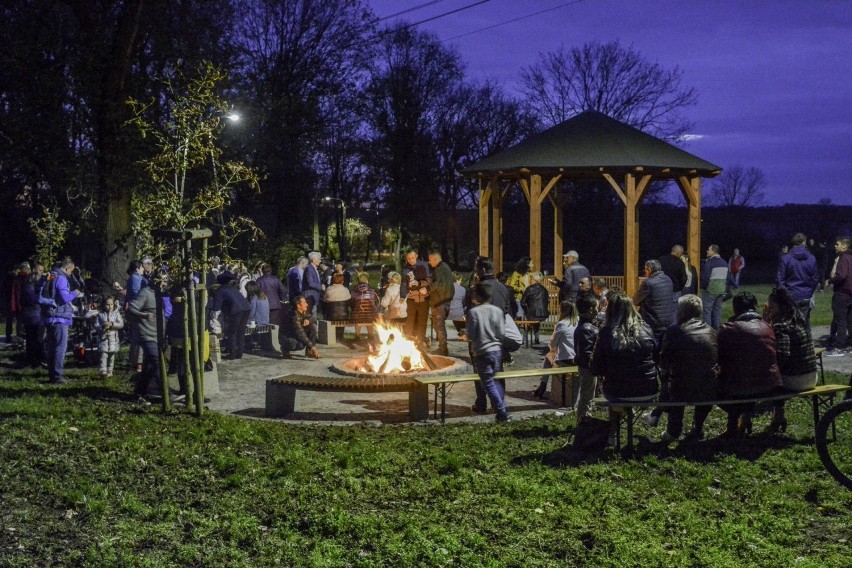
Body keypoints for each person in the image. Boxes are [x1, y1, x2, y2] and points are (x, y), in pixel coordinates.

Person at [590, 292, 658, 440]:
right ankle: (625, 417)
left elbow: (595, 369)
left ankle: (613, 433)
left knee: (614, 386)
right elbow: (656, 356)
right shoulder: (646, 329)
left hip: (618, 392)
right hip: (648, 389)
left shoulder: (606, 333)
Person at [716, 292, 782, 437]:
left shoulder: (728, 329)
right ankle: (742, 420)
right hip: (768, 387)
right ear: (754, 307)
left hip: (739, 389)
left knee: (721, 381)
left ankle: (732, 425)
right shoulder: (768, 327)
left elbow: (718, 358)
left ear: (735, 309)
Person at [656, 294, 718, 442]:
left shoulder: (674, 331)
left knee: (674, 381)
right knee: (699, 377)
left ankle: (673, 431)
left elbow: (664, 361)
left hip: (682, 388)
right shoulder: (711, 331)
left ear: (682, 313)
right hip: (709, 388)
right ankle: (698, 427)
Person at [763, 286, 818, 432]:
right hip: (812, 376)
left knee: (771, 374)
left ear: (780, 307)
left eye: (772, 307)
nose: (769, 310)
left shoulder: (781, 325)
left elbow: (782, 355)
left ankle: (776, 417)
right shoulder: (799, 317)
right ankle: (778, 416)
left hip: (797, 380)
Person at [466, 282, 510, 422]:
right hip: (496, 350)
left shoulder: (474, 312)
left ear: (478, 296)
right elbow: (502, 334)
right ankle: (501, 410)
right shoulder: (498, 311)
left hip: (482, 351)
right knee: (496, 381)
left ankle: (502, 413)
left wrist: (466, 335)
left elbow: (472, 336)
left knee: (488, 383)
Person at [41, 258, 84, 384]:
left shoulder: (50, 276)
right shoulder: (61, 278)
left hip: (49, 316)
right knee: (60, 347)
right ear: (66, 268)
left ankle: (52, 374)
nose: (71, 273)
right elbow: (65, 298)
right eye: (71, 271)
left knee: (52, 347)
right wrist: (75, 293)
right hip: (59, 317)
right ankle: (58, 376)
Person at [533, 300, 577, 400]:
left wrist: (551, 345)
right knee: (550, 355)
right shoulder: (578, 321)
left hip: (567, 359)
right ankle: (542, 387)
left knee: (548, 357)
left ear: (563, 311)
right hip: (578, 357)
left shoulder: (562, 324)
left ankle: (542, 386)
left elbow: (553, 345)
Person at [126, 283, 163, 397]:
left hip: (156, 335)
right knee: (158, 362)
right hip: (146, 334)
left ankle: (140, 390)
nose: (166, 282)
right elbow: (131, 308)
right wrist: (144, 315)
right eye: (164, 279)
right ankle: (165, 391)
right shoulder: (146, 293)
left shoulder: (160, 294)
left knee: (149, 365)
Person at [775, 233, 819, 325]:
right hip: (805, 295)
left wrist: (784, 294)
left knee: (789, 323)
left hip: (790, 295)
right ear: (804, 242)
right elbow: (815, 279)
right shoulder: (811, 258)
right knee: (804, 323)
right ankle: (806, 338)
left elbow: (780, 279)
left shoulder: (785, 258)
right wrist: (809, 292)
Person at [633, 259, 673, 359]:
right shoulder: (668, 280)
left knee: (652, 350)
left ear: (649, 269)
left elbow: (635, 301)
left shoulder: (648, 283)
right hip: (667, 320)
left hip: (653, 322)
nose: (645, 273)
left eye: (645, 270)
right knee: (663, 349)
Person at [572, 294, 600, 421]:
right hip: (588, 367)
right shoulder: (587, 329)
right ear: (590, 310)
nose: (598, 311)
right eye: (597, 308)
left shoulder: (584, 326)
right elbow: (587, 352)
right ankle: (583, 419)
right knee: (587, 395)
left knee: (587, 393)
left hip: (585, 366)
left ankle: (584, 418)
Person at [211, 274, 251, 360]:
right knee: (241, 331)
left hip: (236, 310)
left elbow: (216, 309)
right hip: (246, 308)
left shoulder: (220, 291)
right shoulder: (233, 289)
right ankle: (239, 352)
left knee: (232, 332)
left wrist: (215, 325)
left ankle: (232, 353)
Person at [826, 236, 852, 357]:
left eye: (837, 244)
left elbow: (841, 275)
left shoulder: (844, 257)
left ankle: (840, 347)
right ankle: (850, 345)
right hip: (851, 294)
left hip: (842, 294)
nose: (835, 246)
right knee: (850, 320)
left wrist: (830, 280)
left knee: (840, 321)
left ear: (844, 246)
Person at [400, 249, 431, 345]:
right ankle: (408, 342)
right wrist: (402, 295)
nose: (411, 260)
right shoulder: (405, 269)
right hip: (411, 299)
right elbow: (404, 284)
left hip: (423, 298)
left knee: (422, 321)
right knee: (410, 321)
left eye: (412, 258)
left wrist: (421, 284)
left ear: (416, 256)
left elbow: (430, 280)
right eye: (408, 259)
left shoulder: (424, 265)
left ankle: (420, 342)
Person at [427, 250, 455, 355]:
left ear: (435, 259)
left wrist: (428, 289)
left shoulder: (440, 269)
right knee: (439, 325)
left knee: (439, 325)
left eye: (430, 260)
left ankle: (443, 349)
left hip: (440, 301)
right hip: (443, 300)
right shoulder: (444, 267)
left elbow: (439, 283)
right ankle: (442, 348)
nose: (429, 262)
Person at [281, 295, 319, 359]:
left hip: (295, 334)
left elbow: (313, 317)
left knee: (312, 327)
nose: (307, 304)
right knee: (300, 345)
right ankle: (285, 349)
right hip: (287, 337)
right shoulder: (293, 316)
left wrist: (309, 320)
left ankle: (309, 351)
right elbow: (301, 333)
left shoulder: (303, 312)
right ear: (298, 306)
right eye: (304, 303)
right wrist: (312, 347)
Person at [700, 244, 728, 330]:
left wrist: (703, 287)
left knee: (706, 311)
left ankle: (707, 331)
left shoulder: (709, 262)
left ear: (713, 251)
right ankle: (716, 330)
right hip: (721, 290)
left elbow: (705, 277)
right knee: (717, 311)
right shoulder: (724, 262)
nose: (707, 251)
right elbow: (728, 278)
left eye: (708, 250)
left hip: (710, 290)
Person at [95, 295, 124, 378]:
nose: (110, 306)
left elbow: (121, 324)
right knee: (103, 355)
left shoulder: (116, 314)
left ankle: (110, 370)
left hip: (113, 338)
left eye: (111, 304)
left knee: (112, 355)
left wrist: (112, 325)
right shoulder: (100, 315)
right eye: (107, 304)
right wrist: (102, 327)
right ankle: (103, 371)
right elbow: (96, 325)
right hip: (103, 338)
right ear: (103, 305)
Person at [659, 245, 688, 321]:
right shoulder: (680, 263)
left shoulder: (661, 260)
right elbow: (684, 278)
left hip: (661, 290)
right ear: (679, 253)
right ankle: (672, 330)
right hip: (675, 291)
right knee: (674, 312)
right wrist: (680, 288)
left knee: (661, 311)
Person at [520, 271, 550, 345]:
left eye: (531, 279)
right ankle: (537, 338)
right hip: (543, 314)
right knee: (535, 318)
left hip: (532, 314)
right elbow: (547, 302)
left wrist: (526, 311)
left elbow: (522, 303)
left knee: (528, 318)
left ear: (535, 280)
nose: (530, 280)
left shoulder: (529, 289)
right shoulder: (544, 289)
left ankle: (524, 339)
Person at [350, 272, 379, 341]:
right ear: (367, 279)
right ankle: (370, 335)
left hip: (357, 315)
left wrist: (354, 309)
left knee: (357, 316)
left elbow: (352, 302)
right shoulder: (372, 290)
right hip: (370, 314)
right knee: (370, 316)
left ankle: (357, 336)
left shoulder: (354, 290)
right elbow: (376, 302)